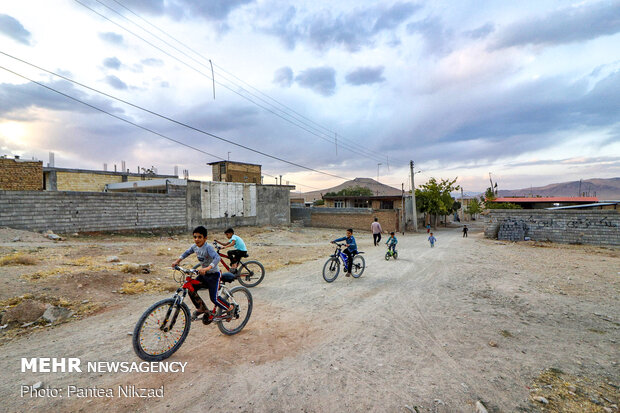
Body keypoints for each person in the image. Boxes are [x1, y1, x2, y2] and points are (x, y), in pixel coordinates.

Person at [172, 226, 235, 323]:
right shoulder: (195, 247)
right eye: (195, 237)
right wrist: (177, 261)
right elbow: (186, 253)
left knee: (214, 299)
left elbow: (217, 258)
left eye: (199, 237)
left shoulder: (208, 247)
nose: (197, 239)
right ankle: (201, 308)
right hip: (204, 275)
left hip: (214, 275)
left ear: (205, 238)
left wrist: (207, 268)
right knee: (191, 287)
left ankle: (230, 308)